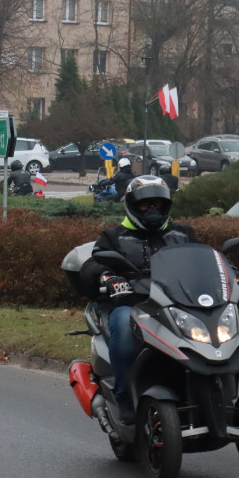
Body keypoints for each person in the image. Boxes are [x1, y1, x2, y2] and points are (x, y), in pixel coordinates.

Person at [78, 175, 199, 425]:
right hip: (132, 305)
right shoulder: (114, 236)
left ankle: (211, 393)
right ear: (132, 205)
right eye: (145, 205)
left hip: (177, 305)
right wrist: (107, 278)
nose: (152, 210)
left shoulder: (182, 233)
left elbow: (205, 258)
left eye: (158, 204)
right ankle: (124, 397)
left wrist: (231, 272)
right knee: (123, 323)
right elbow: (92, 264)